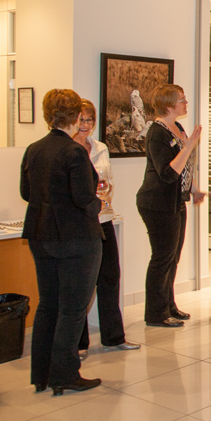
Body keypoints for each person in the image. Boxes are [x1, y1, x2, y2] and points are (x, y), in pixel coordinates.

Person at [20, 89, 104, 395]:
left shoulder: (34, 149)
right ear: (75, 116)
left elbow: (26, 193)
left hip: (41, 235)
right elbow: (84, 198)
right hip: (76, 238)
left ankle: (42, 374)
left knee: (48, 306)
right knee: (72, 309)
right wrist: (100, 202)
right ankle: (65, 373)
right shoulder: (73, 152)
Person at [73, 100, 140, 354]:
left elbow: (107, 180)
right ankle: (78, 343)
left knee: (110, 277)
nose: (86, 125)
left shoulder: (100, 147)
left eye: (90, 120)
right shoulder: (68, 149)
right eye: (81, 120)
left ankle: (113, 336)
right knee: (82, 284)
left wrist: (105, 194)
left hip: (104, 218)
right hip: (81, 224)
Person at [137, 84, 205, 328]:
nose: (186, 103)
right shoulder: (157, 133)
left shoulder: (177, 127)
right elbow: (167, 173)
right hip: (156, 202)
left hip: (176, 200)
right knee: (162, 258)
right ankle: (155, 313)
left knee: (173, 257)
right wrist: (188, 146)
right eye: (181, 100)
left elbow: (185, 166)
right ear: (168, 105)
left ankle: (169, 305)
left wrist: (194, 189)